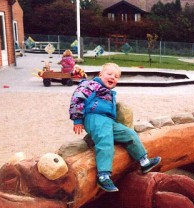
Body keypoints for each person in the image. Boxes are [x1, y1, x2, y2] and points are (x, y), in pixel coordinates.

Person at [69, 63, 161, 192]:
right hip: (94, 117)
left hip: (108, 121)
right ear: (100, 75)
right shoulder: (90, 85)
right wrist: (77, 119)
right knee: (105, 140)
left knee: (129, 134)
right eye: (110, 74)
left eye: (116, 76)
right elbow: (77, 98)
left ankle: (144, 161)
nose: (113, 77)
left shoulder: (110, 92)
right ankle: (103, 176)